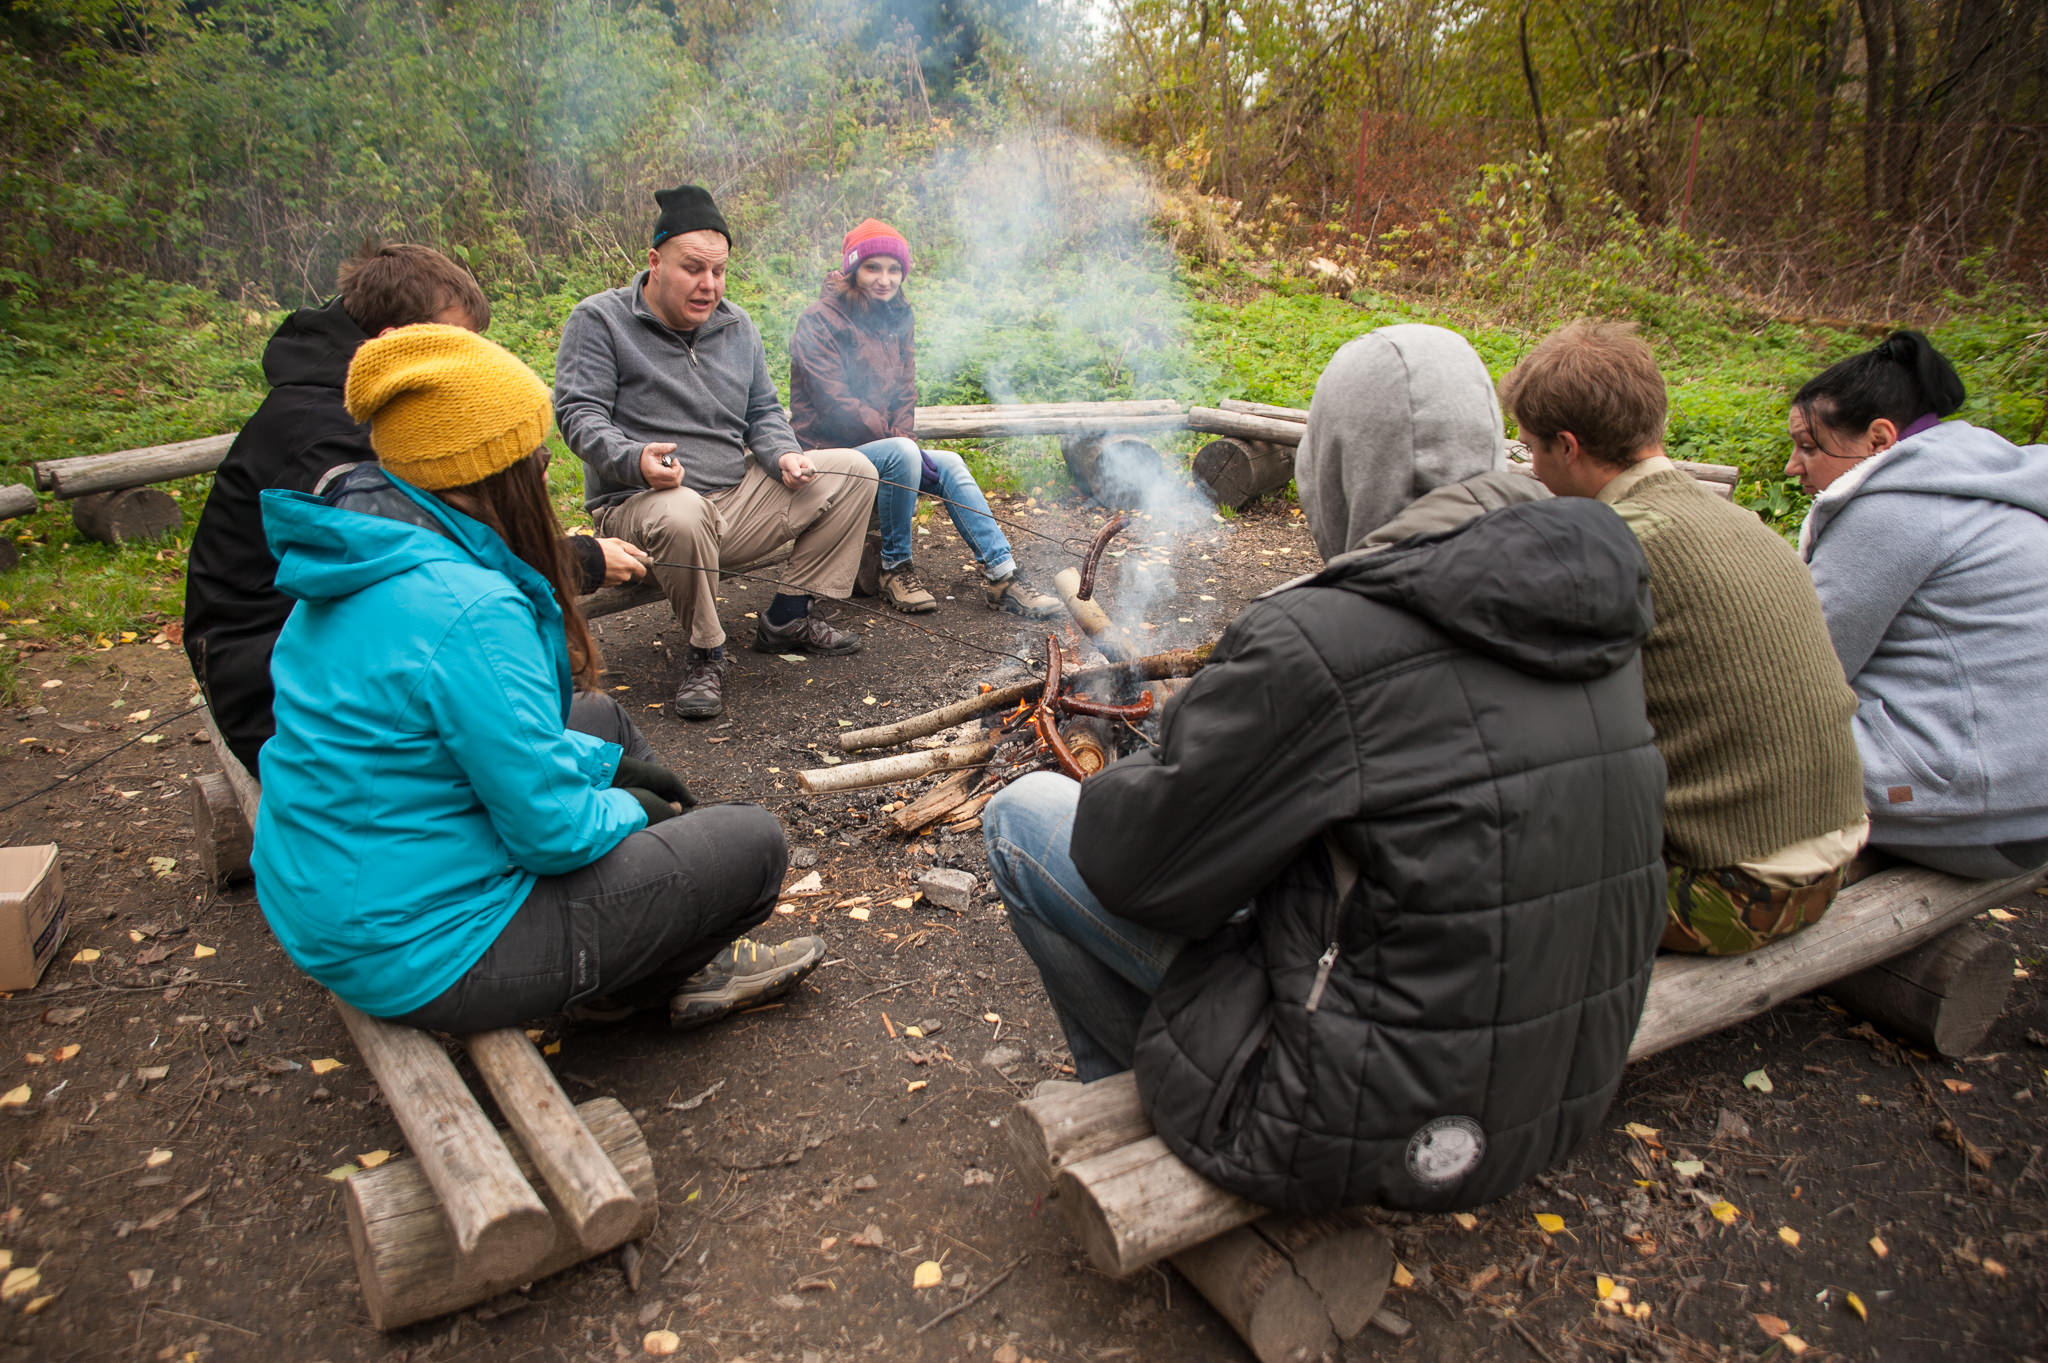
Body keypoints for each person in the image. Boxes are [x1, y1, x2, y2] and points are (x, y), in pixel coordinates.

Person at [984, 324, 1667, 1213]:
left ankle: (1133, 1099)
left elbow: (1136, 869)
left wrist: (1142, 764)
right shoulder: (1592, 594)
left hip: (1367, 1116)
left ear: (1337, 469)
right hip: (1564, 1077)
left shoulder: (1322, 638)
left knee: (1028, 817)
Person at [253, 324, 823, 1032]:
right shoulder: (468, 607)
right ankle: (647, 975)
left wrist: (609, 771)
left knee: (603, 724)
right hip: (426, 946)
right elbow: (548, 833)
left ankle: (654, 918)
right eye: (533, 453)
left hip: (339, 887)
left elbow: (479, 742)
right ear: (493, 468)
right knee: (754, 843)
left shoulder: (369, 543)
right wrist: (629, 809)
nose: (544, 465)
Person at [184, 241, 648, 776]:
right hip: (285, 703)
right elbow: (433, 574)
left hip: (345, 671)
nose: (470, 361)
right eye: (457, 345)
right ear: (394, 344)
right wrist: (579, 559)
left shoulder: (362, 400)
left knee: (592, 721)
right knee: (576, 731)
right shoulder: (332, 440)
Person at [1501, 320, 1868, 956]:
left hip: (1732, 894)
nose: (1532, 468)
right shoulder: (1740, 523)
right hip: (1826, 859)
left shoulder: (1614, 546)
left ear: (1568, 446)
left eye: (1531, 449)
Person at [555, 185, 877, 722]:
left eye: (719, 271)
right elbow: (578, 415)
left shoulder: (737, 325)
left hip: (735, 499)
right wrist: (634, 458)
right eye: (693, 269)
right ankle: (706, 653)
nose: (709, 285)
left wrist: (782, 455)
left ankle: (788, 617)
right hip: (643, 509)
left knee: (856, 471)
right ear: (655, 262)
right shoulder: (600, 320)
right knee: (683, 509)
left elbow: (764, 412)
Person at [1788, 331, 2048, 880]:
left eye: (1809, 446)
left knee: (1728, 739)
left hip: (1980, 817)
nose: (1794, 466)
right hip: (2024, 798)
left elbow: (1798, 672)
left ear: (1880, 439)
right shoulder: (1984, 483)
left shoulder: (1894, 513)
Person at [788, 218, 1059, 617]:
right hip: (825, 451)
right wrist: (904, 447)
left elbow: (904, 392)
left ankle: (1003, 576)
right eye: (873, 267)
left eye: (894, 269)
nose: (885, 279)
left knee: (950, 462)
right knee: (903, 453)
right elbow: (835, 403)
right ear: (853, 269)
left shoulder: (898, 319)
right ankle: (895, 569)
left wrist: (905, 440)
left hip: (881, 447)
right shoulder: (819, 320)